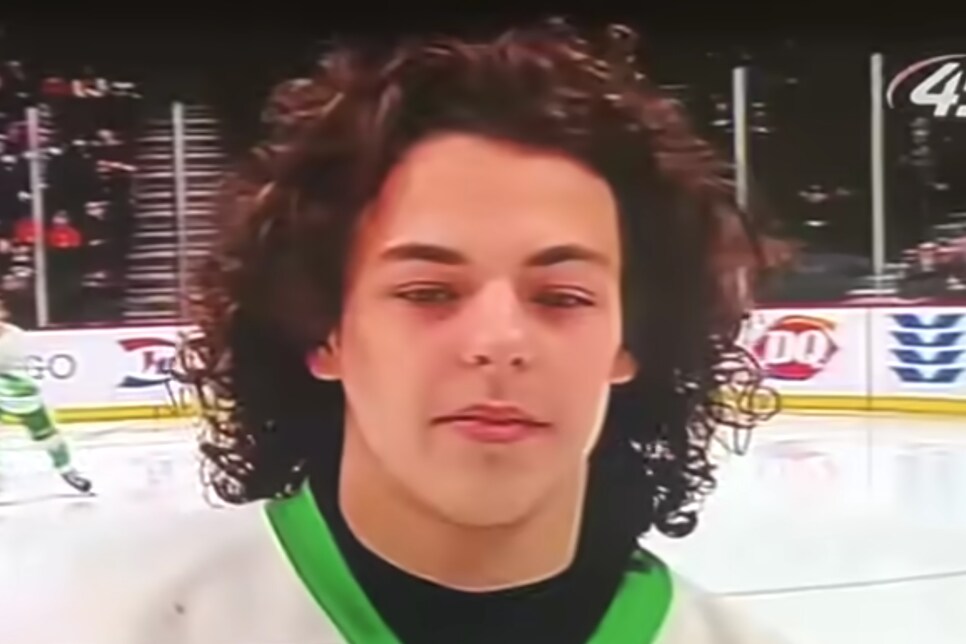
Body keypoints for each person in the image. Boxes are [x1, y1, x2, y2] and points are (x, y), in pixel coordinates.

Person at [0, 18, 784, 643]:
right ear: (323, 329)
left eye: (562, 296)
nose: (499, 340)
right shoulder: (89, 623)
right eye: (428, 290)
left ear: (629, 342)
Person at [0, 299, 91, 493]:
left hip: (18, 391)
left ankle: (67, 470)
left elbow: (10, 366)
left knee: (46, 433)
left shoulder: (15, 336)